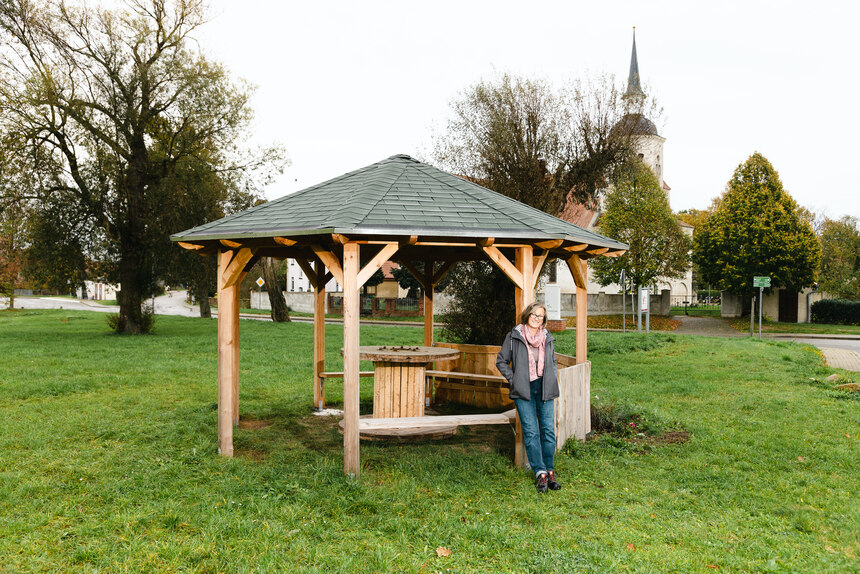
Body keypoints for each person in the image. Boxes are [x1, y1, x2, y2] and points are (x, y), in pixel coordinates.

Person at [496, 302, 561, 493]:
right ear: (527, 315)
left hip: (545, 388)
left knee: (548, 431)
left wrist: (552, 376)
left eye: (540, 316)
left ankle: (550, 471)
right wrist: (513, 379)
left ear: (544, 319)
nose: (536, 318)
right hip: (523, 389)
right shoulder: (514, 335)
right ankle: (540, 473)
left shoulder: (547, 337)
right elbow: (501, 361)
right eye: (533, 314)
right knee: (532, 432)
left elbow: (553, 361)